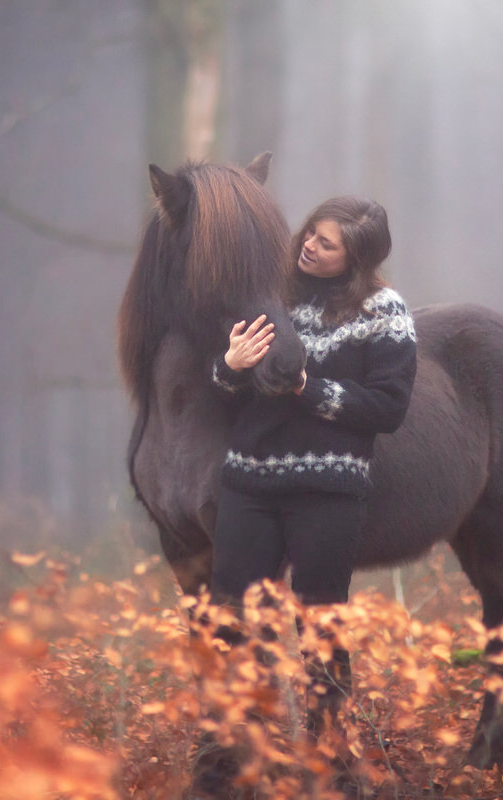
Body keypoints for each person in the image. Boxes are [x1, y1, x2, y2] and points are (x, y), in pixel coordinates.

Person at [207, 195, 417, 741]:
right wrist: (228, 368)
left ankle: (329, 754)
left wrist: (307, 390)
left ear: (356, 259)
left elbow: (388, 409)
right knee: (229, 620)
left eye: (327, 244)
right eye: (310, 234)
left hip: (328, 493)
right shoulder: (272, 296)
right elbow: (230, 398)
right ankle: (228, 750)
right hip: (248, 484)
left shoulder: (384, 311)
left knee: (320, 626)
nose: (308, 245)